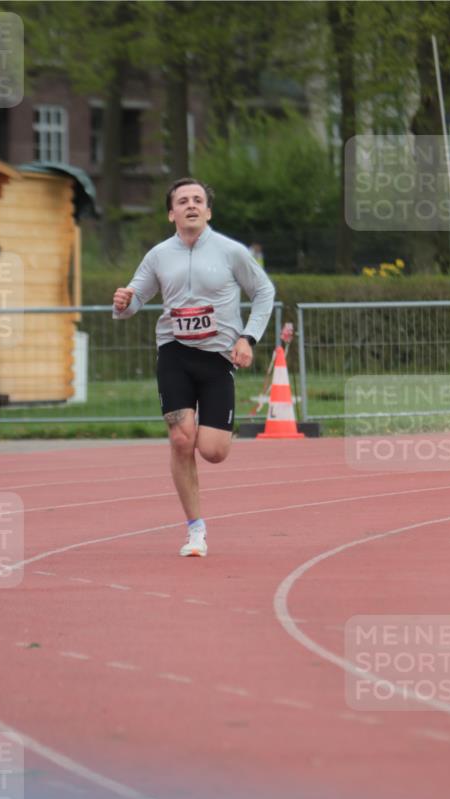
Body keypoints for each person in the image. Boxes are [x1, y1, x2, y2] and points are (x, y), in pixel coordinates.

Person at [112, 177, 275, 557]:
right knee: (181, 439)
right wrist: (123, 304)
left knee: (213, 451)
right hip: (174, 351)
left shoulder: (230, 252)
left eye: (198, 200)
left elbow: (264, 291)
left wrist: (247, 338)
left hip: (218, 357)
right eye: (183, 201)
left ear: (208, 211)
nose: (191, 205)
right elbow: (135, 299)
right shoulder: (158, 255)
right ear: (171, 213)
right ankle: (195, 529)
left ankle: (213, 434)